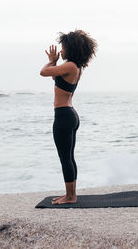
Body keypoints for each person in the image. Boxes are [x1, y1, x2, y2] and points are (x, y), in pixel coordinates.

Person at [40, 30, 97, 204]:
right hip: (69, 114)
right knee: (69, 156)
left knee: (65, 157)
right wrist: (55, 64)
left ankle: (70, 196)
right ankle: (71, 194)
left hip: (64, 116)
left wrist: (51, 61)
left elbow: (43, 72)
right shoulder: (75, 67)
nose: (61, 51)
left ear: (71, 49)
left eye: (63, 47)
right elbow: (53, 77)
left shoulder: (71, 66)